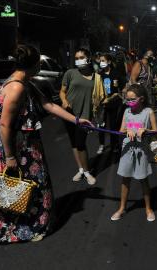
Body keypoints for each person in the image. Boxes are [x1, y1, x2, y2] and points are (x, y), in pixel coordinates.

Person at [0, 44, 92, 244]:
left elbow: (49, 105)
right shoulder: (17, 87)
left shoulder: (25, 82)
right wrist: (10, 157)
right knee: (17, 186)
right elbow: (4, 125)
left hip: (25, 144)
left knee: (31, 185)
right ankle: (21, 230)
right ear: (33, 64)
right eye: (38, 62)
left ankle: (31, 225)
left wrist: (77, 120)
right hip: (16, 146)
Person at [111, 84, 157, 222]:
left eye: (132, 99)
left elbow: (156, 132)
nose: (129, 102)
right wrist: (127, 131)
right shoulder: (127, 112)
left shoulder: (148, 112)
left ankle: (148, 208)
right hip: (127, 149)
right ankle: (122, 207)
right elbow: (120, 131)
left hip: (141, 150)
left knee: (143, 179)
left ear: (141, 99)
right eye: (127, 99)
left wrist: (146, 130)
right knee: (125, 179)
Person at [60, 48, 105, 185]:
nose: (78, 60)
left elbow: (100, 97)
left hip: (85, 115)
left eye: (81, 57)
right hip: (68, 114)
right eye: (76, 58)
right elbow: (62, 91)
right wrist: (64, 101)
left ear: (88, 58)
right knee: (74, 142)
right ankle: (81, 169)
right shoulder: (70, 73)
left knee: (80, 143)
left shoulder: (96, 77)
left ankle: (86, 172)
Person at [97, 53, 125, 154]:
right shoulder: (99, 75)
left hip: (114, 104)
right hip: (102, 105)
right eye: (100, 61)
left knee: (113, 125)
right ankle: (101, 144)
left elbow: (123, 88)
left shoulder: (116, 73)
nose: (101, 63)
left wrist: (117, 95)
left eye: (103, 61)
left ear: (109, 62)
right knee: (101, 125)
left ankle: (115, 145)